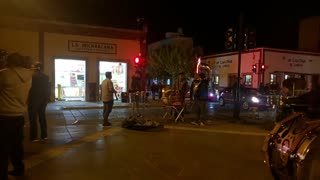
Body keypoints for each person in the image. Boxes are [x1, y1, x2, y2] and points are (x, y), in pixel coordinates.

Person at [0, 53, 34, 179]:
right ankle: (19, 169)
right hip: (19, 115)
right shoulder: (28, 76)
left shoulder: (4, 74)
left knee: (2, 148)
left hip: (4, 116)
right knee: (17, 145)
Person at [28, 62, 50, 142]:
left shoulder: (31, 77)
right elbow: (47, 89)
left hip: (33, 100)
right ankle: (44, 135)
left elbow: (28, 89)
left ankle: (34, 137)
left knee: (33, 119)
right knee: (42, 118)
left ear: (35, 68)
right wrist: (47, 99)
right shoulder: (46, 77)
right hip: (43, 100)